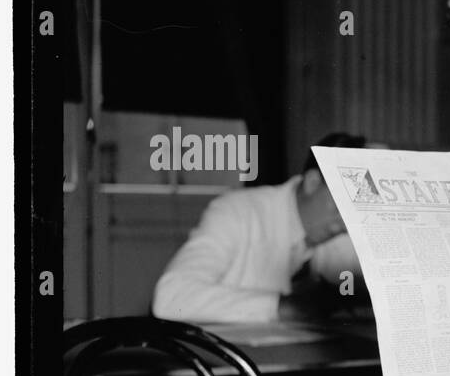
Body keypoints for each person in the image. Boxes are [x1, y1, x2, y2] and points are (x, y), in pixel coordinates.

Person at [153, 133, 366, 324]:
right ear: (313, 182)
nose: (347, 221)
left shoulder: (340, 231)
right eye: (342, 204)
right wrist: (281, 307)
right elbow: (171, 297)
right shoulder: (237, 211)